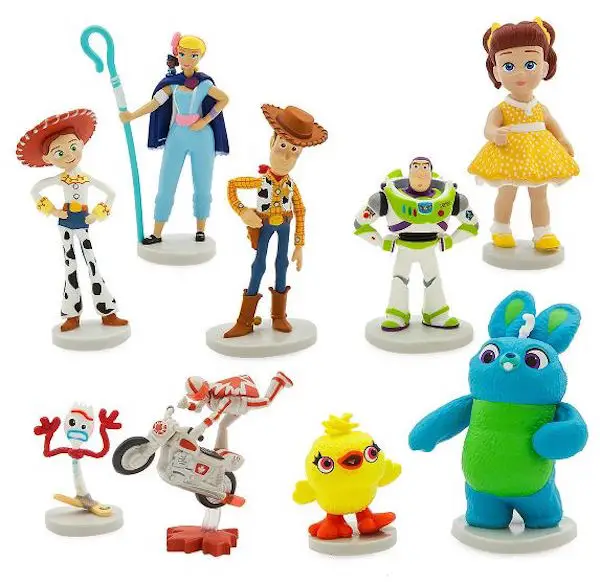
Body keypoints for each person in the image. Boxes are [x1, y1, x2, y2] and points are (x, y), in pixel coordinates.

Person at [468, 18, 578, 252]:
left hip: (538, 158)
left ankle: (543, 232)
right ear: (497, 72)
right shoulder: (502, 109)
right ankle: (500, 228)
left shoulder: (540, 108)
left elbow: (552, 124)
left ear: (544, 67)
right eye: (508, 66)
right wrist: (495, 133)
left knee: (540, 195)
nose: (520, 73)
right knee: (507, 193)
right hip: (509, 156)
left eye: (530, 64)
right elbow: (488, 128)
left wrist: (562, 140)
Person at [16, 109, 128, 333]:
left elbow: (111, 194)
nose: (69, 155)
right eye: (59, 152)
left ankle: (107, 311)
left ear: (81, 145)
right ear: (48, 159)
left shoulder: (86, 178)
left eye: (73, 147)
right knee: (70, 265)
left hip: (83, 221)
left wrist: (97, 214)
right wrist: (53, 211)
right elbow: (35, 190)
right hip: (66, 224)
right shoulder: (60, 178)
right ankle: (71, 314)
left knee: (92, 264)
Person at [224, 105, 328, 338]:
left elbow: (300, 210)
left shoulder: (292, 186)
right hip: (265, 224)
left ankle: (279, 315)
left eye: (295, 150)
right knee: (259, 264)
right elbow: (232, 186)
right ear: (272, 142)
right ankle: (245, 319)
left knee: (282, 263)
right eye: (282, 146)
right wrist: (242, 211)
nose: (287, 156)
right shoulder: (260, 181)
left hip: (285, 226)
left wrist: (299, 245)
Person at [120, 33, 229, 245]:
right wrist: (132, 115)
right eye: (183, 54)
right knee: (166, 183)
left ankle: (200, 229)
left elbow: (224, 99)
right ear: (177, 54)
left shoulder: (205, 83)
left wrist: (205, 120)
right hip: (178, 135)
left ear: (200, 57)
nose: (187, 59)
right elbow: (155, 103)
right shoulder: (173, 84)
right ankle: (157, 232)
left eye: (193, 55)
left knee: (203, 184)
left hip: (202, 138)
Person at [354, 158, 479, 331]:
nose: (421, 172)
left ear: (431, 173)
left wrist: (451, 240)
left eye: (425, 167)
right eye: (416, 167)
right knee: (399, 280)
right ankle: (397, 314)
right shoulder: (385, 198)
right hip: (403, 248)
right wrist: (381, 242)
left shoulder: (452, 198)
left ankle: (436, 314)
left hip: (429, 249)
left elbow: (472, 225)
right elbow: (360, 224)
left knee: (433, 280)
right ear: (409, 171)